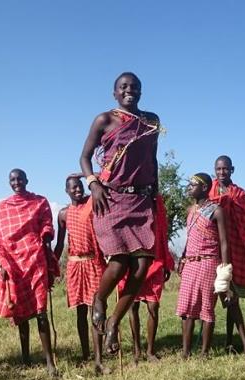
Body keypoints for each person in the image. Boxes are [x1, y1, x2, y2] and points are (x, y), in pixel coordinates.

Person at [79, 72, 161, 355]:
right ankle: (99, 299)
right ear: (114, 93)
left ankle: (115, 322)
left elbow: (153, 160)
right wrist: (93, 185)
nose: (130, 90)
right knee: (118, 264)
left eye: (135, 87)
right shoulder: (104, 120)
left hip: (141, 201)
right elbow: (85, 157)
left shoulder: (151, 121)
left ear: (141, 91)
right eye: (123, 87)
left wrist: (156, 196)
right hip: (110, 198)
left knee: (141, 267)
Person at [0, 169, 59, 376]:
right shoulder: (3, 207)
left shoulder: (39, 202)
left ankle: (49, 362)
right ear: (9, 183)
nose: (16, 182)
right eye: (12, 179)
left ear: (27, 180)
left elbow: (47, 222)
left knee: (40, 311)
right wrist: (4, 259)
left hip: (35, 259)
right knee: (20, 313)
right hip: (14, 263)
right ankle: (26, 359)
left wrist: (46, 236)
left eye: (20, 178)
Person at [54, 174, 108, 373]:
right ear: (66, 191)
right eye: (73, 187)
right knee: (80, 312)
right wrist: (51, 267)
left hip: (94, 262)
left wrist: (83, 174)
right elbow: (60, 244)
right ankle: (86, 353)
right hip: (75, 266)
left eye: (79, 186)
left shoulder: (92, 203)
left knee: (97, 310)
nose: (77, 190)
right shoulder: (63, 214)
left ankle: (98, 357)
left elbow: (103, 182)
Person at [176, 173, 231, 359]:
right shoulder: (191, 210)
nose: (190, 188)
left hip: (209, 262)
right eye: (189, 185)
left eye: (193, 185)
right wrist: (183, 258)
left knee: (207, 308)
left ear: (205, 187)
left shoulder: (216, 211)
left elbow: (224, 241)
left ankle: (205, 352)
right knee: (187, 308)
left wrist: (224, 269)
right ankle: (185, 352)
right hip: (191, 262)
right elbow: (190, 238)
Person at [118, 194, 174, 363]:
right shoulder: (124, 198)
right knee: (132, 306)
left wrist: (165, 260)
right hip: (131, 260)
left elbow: (162, 230)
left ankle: (150, 351)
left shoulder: (156, 200)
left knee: (153, 306)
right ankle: (137, 351)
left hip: (154, 259)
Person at [209, 155, 245, 356]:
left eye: (225, 169)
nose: (221, 172)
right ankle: (208, 346)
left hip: (234, 249)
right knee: (215, 299)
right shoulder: (207, 190)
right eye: (218, 169)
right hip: (212, 250)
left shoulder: (240, 194)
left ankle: (231, 341)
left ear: (232, 170)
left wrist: (229, 205)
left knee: (232, 298)